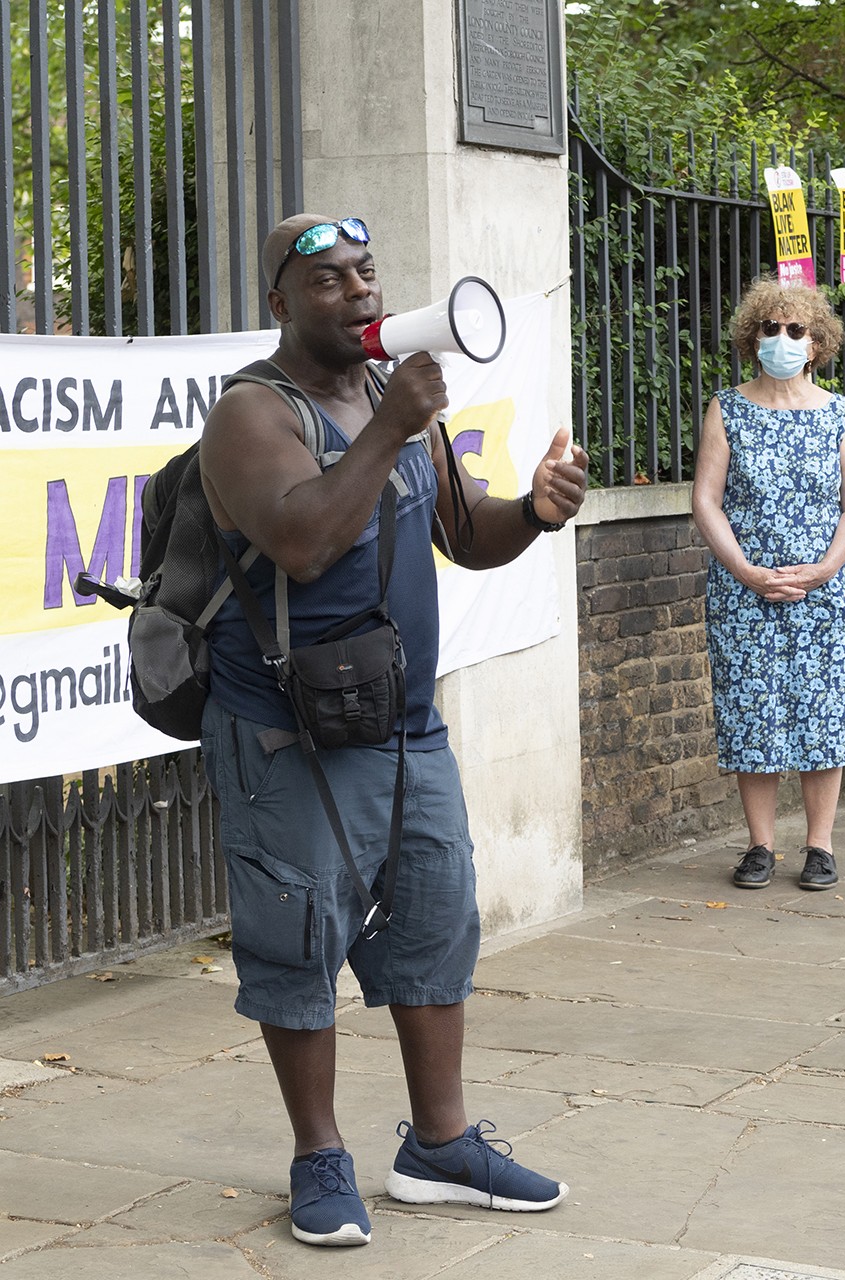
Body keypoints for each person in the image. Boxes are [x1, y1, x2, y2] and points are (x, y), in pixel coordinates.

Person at [197, 214, 579, 1246]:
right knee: (297, 936)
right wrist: (389, 427)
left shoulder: (388, 399)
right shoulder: (250, 413)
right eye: (327, 280)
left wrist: (535, 510)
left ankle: (440, 1144)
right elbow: (302, 539)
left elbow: (466, 529)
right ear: (280, 302)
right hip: (288, 732)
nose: (360, 293)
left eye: (366, 273)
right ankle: (319, 1154)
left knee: (436, 921)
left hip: (405, 722)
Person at [693, 279, 845, 893]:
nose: (782, 339)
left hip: (824, 594)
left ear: (817, 342)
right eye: (771, 328)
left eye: (795, 330)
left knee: (824, 715)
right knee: (752, 715)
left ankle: (820, 845)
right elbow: (706, 500)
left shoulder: (838, 413)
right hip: (746, 593)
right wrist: (743, 569)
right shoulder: (728, 407)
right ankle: (759, 845)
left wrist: (826, 568)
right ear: (753, 336)